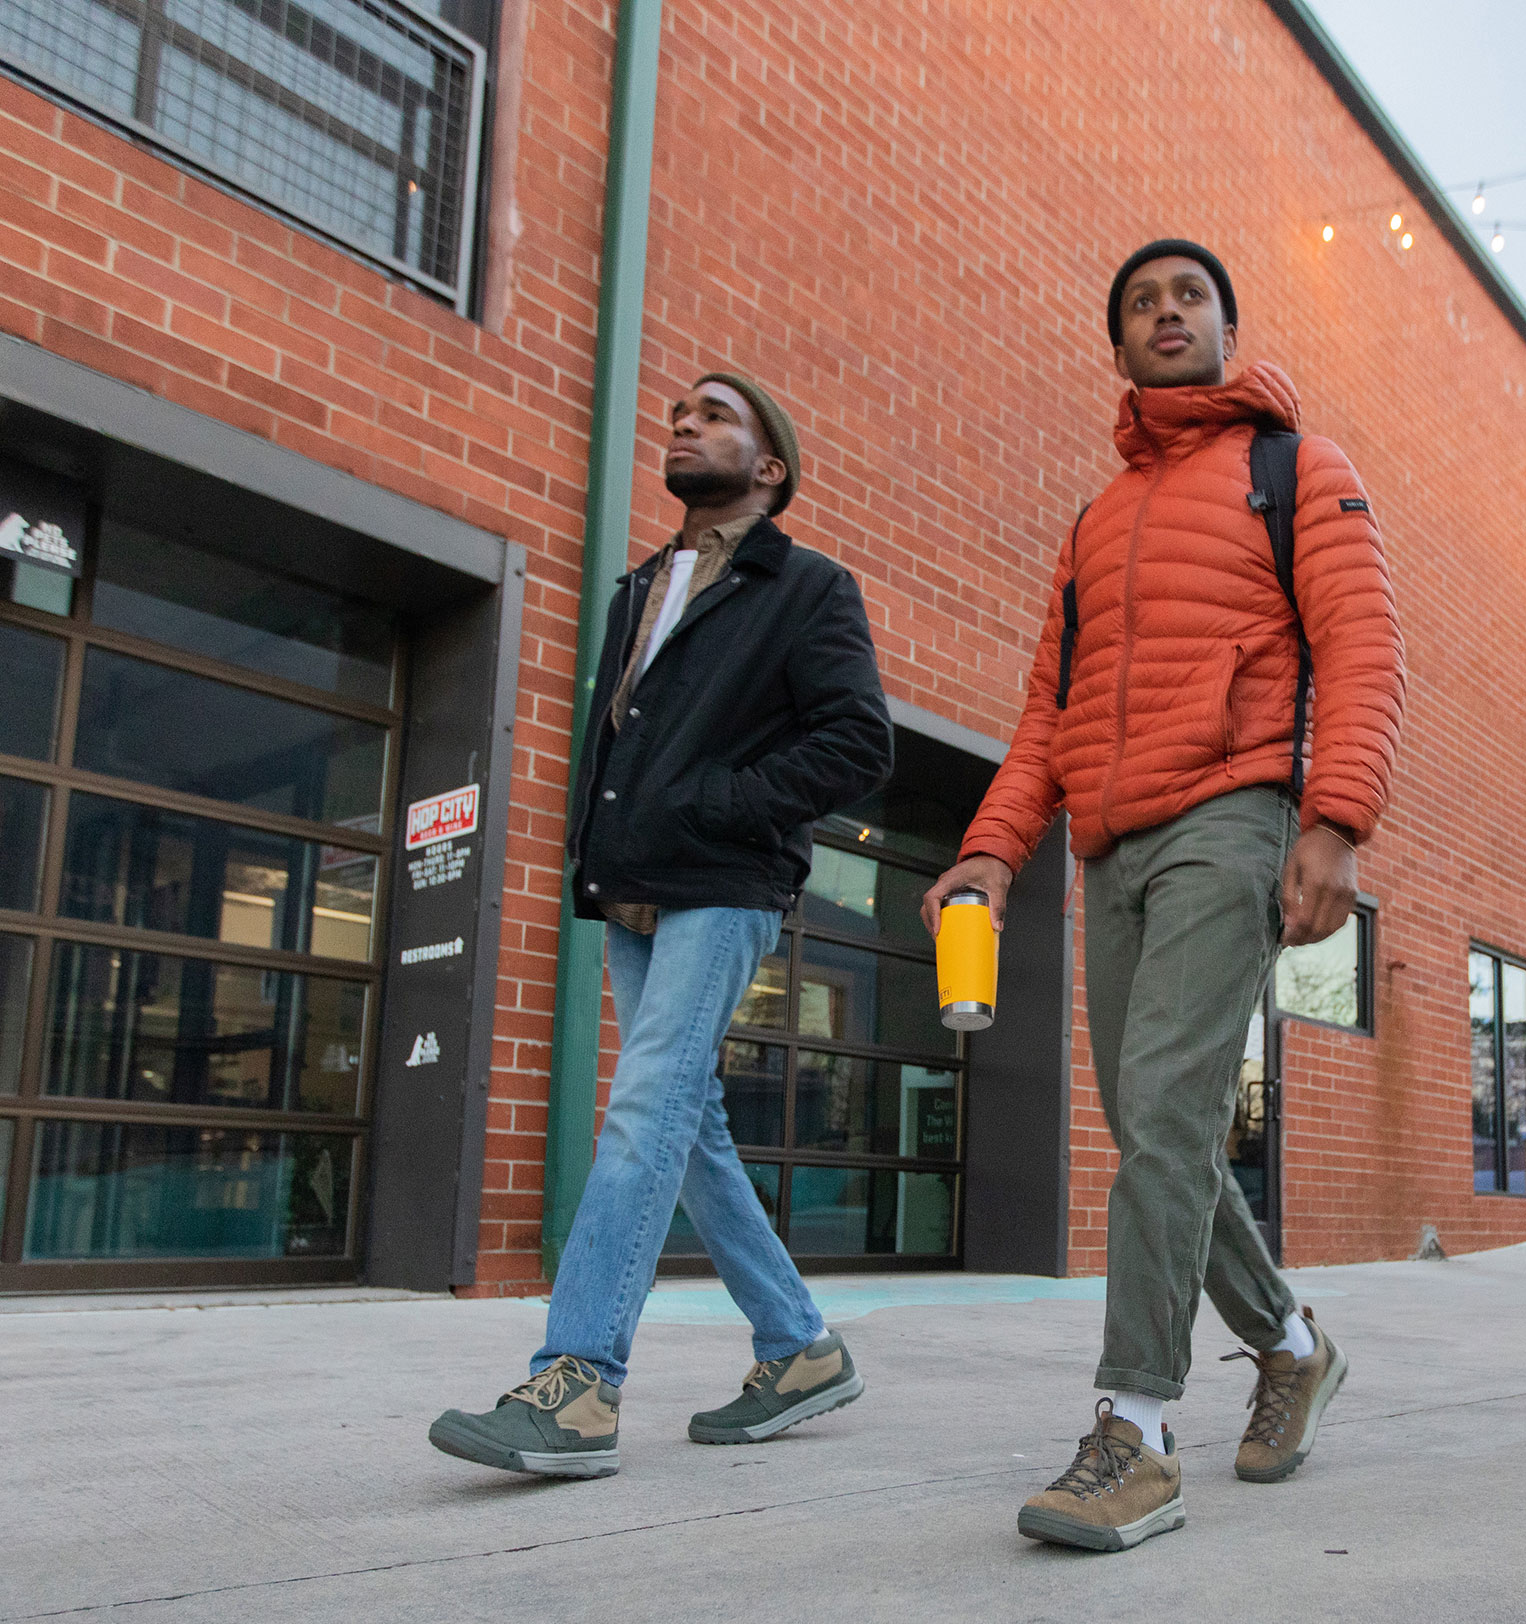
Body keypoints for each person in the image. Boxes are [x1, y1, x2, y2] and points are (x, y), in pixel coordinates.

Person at [924, 241, 1406, 1551]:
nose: (1166, 313)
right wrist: (989, 848)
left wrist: (1335, 821)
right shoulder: (1094, 522)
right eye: (1141, 304)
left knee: (1168, 1123)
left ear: (1228, 328)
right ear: (1121, 348)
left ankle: (1135, 1430)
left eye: (1188, 297)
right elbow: (1045, 712)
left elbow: (1361, 642)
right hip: (1106, 847)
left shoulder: (1294, 470)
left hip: (1232, 819)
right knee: (1157, 1132)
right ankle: (1294, 1343)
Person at [432, 373, 893, 1479]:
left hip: (725, 882)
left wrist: (715, 806)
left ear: (769, 468)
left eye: (715, 416)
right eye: (679, 413)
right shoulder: (641, 586)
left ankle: (578, 1383)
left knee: (643, 1110)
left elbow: (857, 744)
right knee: (687, 1128)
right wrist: (602, 850)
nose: (685, 425)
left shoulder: (806, 586)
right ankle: (800, 1348)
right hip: (633, 886)